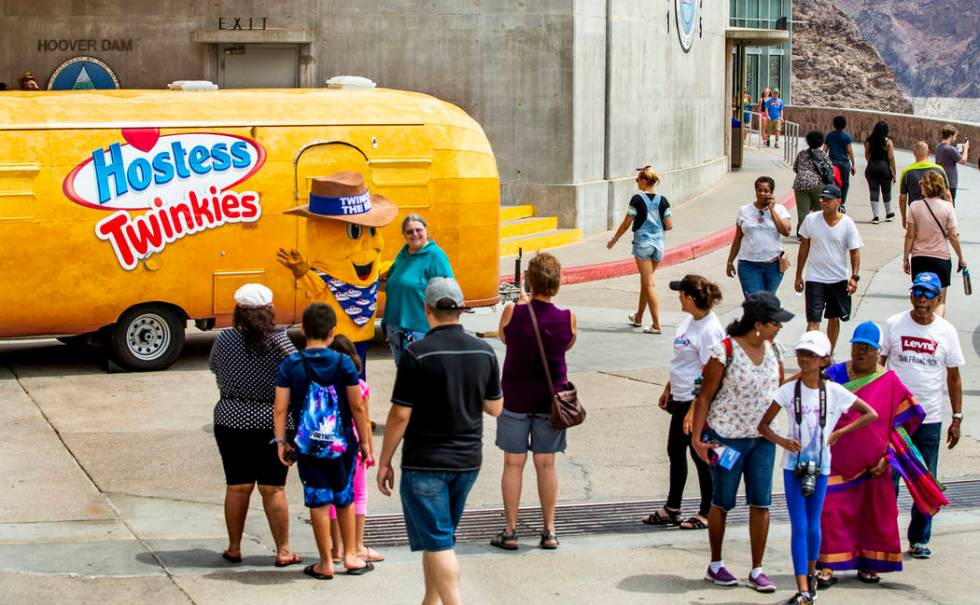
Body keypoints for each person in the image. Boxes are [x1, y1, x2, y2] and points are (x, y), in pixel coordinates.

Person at [377, 277, 503, 605]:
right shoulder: (483, 351)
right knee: (438, 538)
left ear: (426, 310)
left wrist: (385, 459)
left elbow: (400, 415)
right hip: (467, 461)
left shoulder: (417, 354)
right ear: (460, 309)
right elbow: (495, 407)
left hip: (425, 462)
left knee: (439, 542)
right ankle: (430, 600)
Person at [817, 321, 941, 587]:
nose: (860, 352)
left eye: (867, 348)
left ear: (877, 351)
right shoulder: (833, 375)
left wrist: (889, 457)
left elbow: (904, 424)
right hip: (836, 461)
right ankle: (827, 566)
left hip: (876, 464)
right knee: (830, 512)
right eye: (856, 347)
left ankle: (869, 564)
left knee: (873, 516)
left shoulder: (889, 381)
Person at [757, 330, 878, 605]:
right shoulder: (788, 390)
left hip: (822, 466)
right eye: (801, 353)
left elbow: (871, 413)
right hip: (793, 467)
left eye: (811, 355)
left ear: (824, 360)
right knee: (799, 525)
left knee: (814, 525)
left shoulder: (834, 391)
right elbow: (763, 425)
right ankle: (802, 586)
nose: (804, 359)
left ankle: (810, 579)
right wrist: (782, 441)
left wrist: (838, 434)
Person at [691, 291, 793, 593]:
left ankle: (757, 568)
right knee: (722, 501)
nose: (780, 328)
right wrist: (697, 438)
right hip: (727, 440)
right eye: (776, 323)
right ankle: (716, 563)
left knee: (761, 502)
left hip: (762, 440)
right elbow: (705, 395)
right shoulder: (724, 351)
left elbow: (778, 389)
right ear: (758, 324)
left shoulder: (776, 349)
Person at [273, 303, 375, 579]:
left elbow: (281, 407)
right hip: (342, 443)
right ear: (333, 331)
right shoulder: (343, 363)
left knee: (318, 500)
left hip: (308, 445)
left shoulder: (291, 364)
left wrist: (282, 441)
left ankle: (325, 562)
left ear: (303, 330)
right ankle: (351, 557)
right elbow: (357, 406)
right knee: (345, 497)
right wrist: (365, 441)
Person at [208, 284, 301, 567]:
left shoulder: (224, 339)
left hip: (230, 418)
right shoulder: (281, 341)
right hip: (274, 423)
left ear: (239, 312)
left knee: (237, 486)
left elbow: (214, 366)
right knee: (273, 489)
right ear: (269, 311)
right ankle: (283, 550)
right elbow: (299, 371)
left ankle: (234, 547)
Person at [491, 253, 576, 550]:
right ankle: (549, 530)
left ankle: (511, 530)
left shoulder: (512, 313)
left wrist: (524, 303)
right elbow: (566, 343)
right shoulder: (567, 318)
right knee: (546, 464)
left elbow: (504, 338)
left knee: (513, 464)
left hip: (515, 398)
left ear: (528, 280)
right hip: (550, 402)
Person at [881, 272, 965, 560]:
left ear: (938, 299)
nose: (922, 300)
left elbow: (953, 377)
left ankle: (919, 539)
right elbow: (878, 369)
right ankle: (885, 537)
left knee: (924, 480)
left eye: (929, 294)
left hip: (929, 420)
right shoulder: (894, 324)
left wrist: (957, 417)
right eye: (917, 293)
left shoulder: (946, 332)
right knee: (887, 479)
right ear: (911, 295)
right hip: (895, 419)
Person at [643, 276, 724, 531]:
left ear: (690, 298)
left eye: (681, 293)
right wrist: (669, 387)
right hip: (680, 397)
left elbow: (710, 373)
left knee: (700, 455)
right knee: (675, 451)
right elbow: (682, 361)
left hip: (695, 401)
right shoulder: (690, 321)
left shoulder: (710, 329)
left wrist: (693, 411)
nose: (678, 296)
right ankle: (672, 507)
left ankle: (707, 510)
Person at [326, 335, 384, 565]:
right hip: (353, 443)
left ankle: (336, 547)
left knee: (331, 494)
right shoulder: (360, 387)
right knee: (358, 493)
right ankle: (358, 545)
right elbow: (364, 418)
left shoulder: (322, 384)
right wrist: (368, 447)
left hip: (328, 442)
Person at [795, 184, 863, 356]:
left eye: (828, 200)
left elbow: (855, 252)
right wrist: (798, 275)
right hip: (814, 278)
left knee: (834, 318)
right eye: (822, 199)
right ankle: (811, 354)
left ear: (838, 201)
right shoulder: (811, 220)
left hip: (838, 279)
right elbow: (804, 248)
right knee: (813, 321)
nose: (824, 202)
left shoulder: (847, 224)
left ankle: (828, 355)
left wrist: (854, 277)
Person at [381, 214, 454, 366]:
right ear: (404, 235)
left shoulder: (436, 256)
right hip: (395, 327)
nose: (414, 234)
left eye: (418, 230)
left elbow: (448, 293)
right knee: (405, 379)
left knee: (422, 381)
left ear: (426, 230)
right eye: (409, 232)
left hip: (420, 329)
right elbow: (394, 283)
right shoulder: (403, 254)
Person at [608, 165, 673, 334]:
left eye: (637, 179)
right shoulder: (663, 200)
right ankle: (638, 317)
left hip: (642, 245)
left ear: (644, 181)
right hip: (658, 246)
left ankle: (657, 324)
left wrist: (614, 239)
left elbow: (626, 223)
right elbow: (669, 225)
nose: (636, 182)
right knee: (647, 281)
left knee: (649, 283)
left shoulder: (637, 199)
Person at [903, 171, 966, 317]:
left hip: (920, 258)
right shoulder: (948, 207)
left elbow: (910, 235)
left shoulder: (914, 206)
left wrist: (906, 257)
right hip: (941, 259)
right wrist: (961, 258)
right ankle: (937, 333)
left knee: (919, 298)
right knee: (940, 301)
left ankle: (921, 328)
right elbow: (953, 236)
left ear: (924, 186)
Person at [726, 176, 792, 296]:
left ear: (771, 193)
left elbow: (786, 231)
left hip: (773, 265)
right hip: (748, 265)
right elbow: (738, 238)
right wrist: (730, 261)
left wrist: (772, 211)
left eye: (766, 191)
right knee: (755, 303)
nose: (762, 193)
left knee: (768, 303)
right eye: (759, 190)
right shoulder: (744, 210)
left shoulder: (780, 209)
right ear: (755, 191)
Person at [899, 141, 950, 226]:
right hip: (936, 213)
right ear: (928, 152)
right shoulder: (939, 170)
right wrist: (949, 216)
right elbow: (947, 195)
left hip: (915, 214)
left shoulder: (907, 172)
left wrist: (904, 218)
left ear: (914, 153)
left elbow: (902, 198)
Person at [792, 131, 834, 237]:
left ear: (808, 141)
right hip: (817, 184)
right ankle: (816, 233)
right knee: (818, 210)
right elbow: (830, 170)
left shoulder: (802, 154)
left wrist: (804, 175)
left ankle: (802, 234)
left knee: (802, 211)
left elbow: (795, 168)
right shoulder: (823, 155)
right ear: (821, 142)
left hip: (800, 184)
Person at [863, 121, 897, 224]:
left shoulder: (869, 141)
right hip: (884, 168)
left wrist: (873, 163)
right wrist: (894, 172)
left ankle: (876, 216)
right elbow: (891, 158)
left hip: (871, 168)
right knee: (886, 191)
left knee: (874, 191)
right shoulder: (888, 142)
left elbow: (867, 156)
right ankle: (888, 214)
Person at [824, 116, 857, 205]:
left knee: (831, 182)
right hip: (844, 163)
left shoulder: (829, 135)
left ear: (834, 124)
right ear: (844, 125)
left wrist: (823, 162)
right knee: (845, 183)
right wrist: (853, 164)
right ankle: (841, 203)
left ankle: (832, 201)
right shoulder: (847, 136)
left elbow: (825, 150)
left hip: (832, 162)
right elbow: (850, 151)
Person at [935, 125, 970, 203]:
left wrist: (957, 150)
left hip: (939, 182)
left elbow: (949, 155)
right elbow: (963, 161)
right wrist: (966, 149)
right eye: (955, 136)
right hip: (949, 184)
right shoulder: (950, 149)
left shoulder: (938, 147)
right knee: (950, 206)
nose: (955, 138)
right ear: (950, 136)